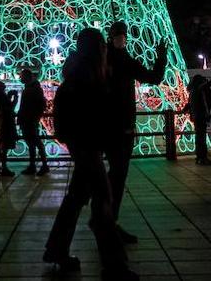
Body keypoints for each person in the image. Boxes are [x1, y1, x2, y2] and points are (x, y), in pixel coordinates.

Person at [45, 27, 134, 279]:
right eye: (103, 47)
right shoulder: (87, 79)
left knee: (75, 199)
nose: (106, 50)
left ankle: (56, 249)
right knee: (103, 203)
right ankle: (115, 266)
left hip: (83, 146)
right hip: (88, 147)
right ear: (97, 50)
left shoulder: (80, 74)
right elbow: (94, 115)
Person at [105, 21, 167, 244]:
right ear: (111, 37)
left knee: (114, 175)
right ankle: (106, 221)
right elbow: (152, 78)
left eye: (124, 35)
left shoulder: (114, 59)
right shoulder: (115, 60)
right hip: (117, 128)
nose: (122, 38)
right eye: (118, 35)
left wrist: (161, 57)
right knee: (116, 175)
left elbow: (152, 78)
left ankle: (106, 220)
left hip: (115, 127)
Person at [17, 68, 49, 175]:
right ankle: (34, 165)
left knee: (35, 142)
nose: (20, 78)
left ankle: (42, 165)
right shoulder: (31, 88)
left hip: (29, 119)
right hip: (28, 119)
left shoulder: (33, 89)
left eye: (21, 76)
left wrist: (34, 116)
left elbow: (40, 104)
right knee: (32, 143)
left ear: (27, 76)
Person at [0, 80, 19, 177]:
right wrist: (14, 98)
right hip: (5, 124)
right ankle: (4, 168)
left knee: (2, 146)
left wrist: (9, 97)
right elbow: (9, 108)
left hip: (0, 123)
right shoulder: (0, 96)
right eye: (3, 87)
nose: (5, 88)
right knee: (4, 147)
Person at [182, 75, 209, 164]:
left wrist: (185, 110)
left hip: (195, 116)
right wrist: (207, 113)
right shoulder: (199, 91)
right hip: (201, 116)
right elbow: (203, 104)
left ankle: (199, 157)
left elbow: (189, 104)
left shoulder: (192, 92)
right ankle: (203, 157)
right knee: (202, 137)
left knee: (199, 137)